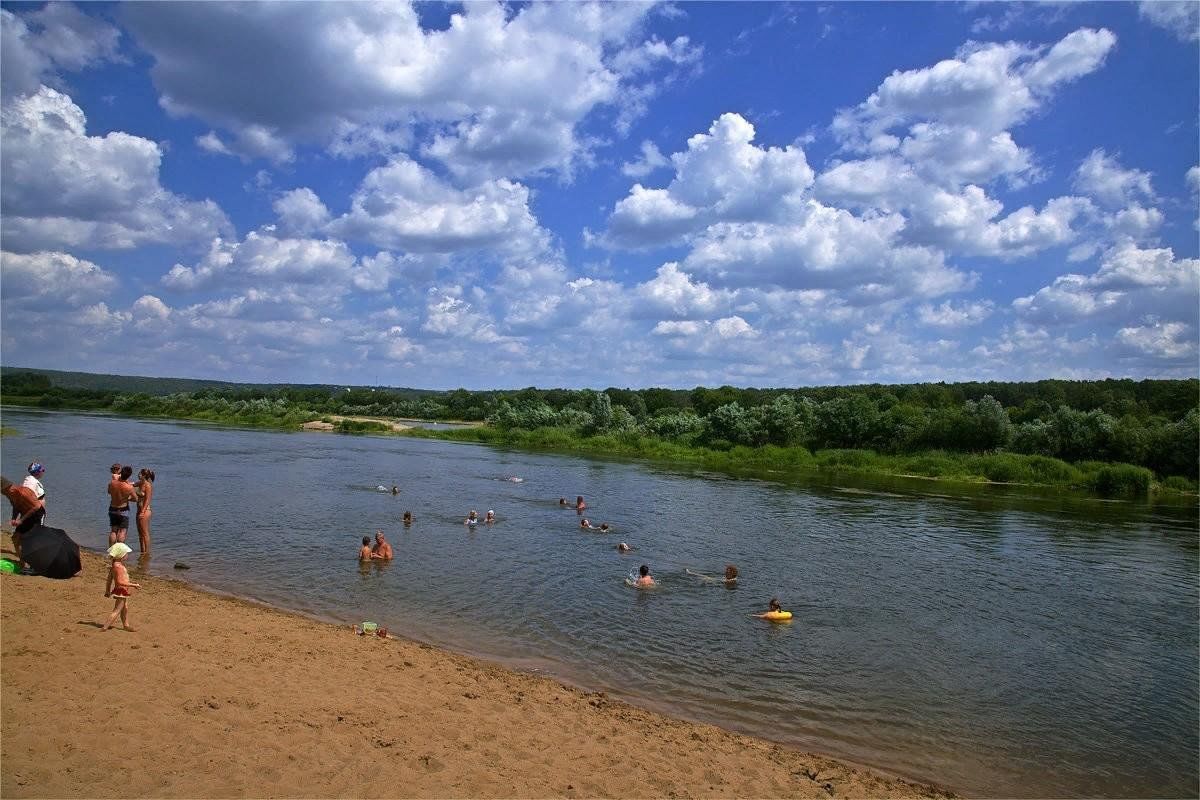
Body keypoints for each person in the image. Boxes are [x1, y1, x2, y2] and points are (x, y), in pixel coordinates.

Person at [2, 476, 44, 566]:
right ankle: (23, 562)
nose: (5, 494)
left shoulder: (24, 492)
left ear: (10, 487)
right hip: (26, 516)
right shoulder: (10, 495)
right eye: (3, 493)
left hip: (37, 515)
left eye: (5, 492)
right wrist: (14, 518)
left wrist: (21, 520)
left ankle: (35, 563)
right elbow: (16, 506)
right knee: (16, 538)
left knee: (31, 540)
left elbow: (36, 507)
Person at [103, 542, 140, 631]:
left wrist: (107, 591)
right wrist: (134, 585)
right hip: (121, 591)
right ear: (121, 555)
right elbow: (120, 582)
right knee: (117, 610)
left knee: (124, 608)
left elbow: (109, 580)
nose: (127, 555)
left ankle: (126, 625)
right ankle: (105, 627)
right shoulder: (119, 567)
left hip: (121, 590)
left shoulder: (114, 566)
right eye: (126, 553)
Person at [107, 466, 138, 546]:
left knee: (113, 531)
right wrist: (127, 498)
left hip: (113, 508)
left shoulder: (112, 483)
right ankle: (119, 551)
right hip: (123, 509)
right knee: (122, 531)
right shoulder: (129, 487)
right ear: (129, 476)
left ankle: (111, 550)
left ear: (121, 473)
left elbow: (109, 492)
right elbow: (135, 499)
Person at [10, 462, 45, 529]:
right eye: (42, 470)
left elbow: (17, 503)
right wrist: (21, 520)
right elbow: (36, 506)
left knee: (22, 531)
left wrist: (14, 518)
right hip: (36, 513)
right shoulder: (37, 484)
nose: (43, 472)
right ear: (37, 472)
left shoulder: (26, 482)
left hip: (25, 511)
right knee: (38, 532)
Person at [134, 468, 155, 554]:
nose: (138, 475)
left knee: (145, 532)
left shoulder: (148, 485)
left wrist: (142, 511)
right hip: (139, 510)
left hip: (145, 511)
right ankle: (142, 551)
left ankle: (147, 552)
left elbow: (147, 500)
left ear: (144, 475)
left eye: (139, 473)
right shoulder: (140, 483)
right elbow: (132, 484)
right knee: (140, 533)